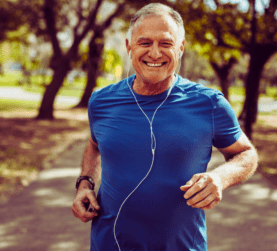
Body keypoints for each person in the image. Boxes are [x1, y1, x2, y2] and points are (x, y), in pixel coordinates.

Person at [72, 3, 258, 251]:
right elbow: (95, 144)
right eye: (145, 43)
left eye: (166, 43)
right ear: (129, 47)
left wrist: (219, 178)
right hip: (108, 243)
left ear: (180, 48)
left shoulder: (210, 103)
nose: (155, 53)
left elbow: (246, 153)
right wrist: (85, 184)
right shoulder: (101, 101)